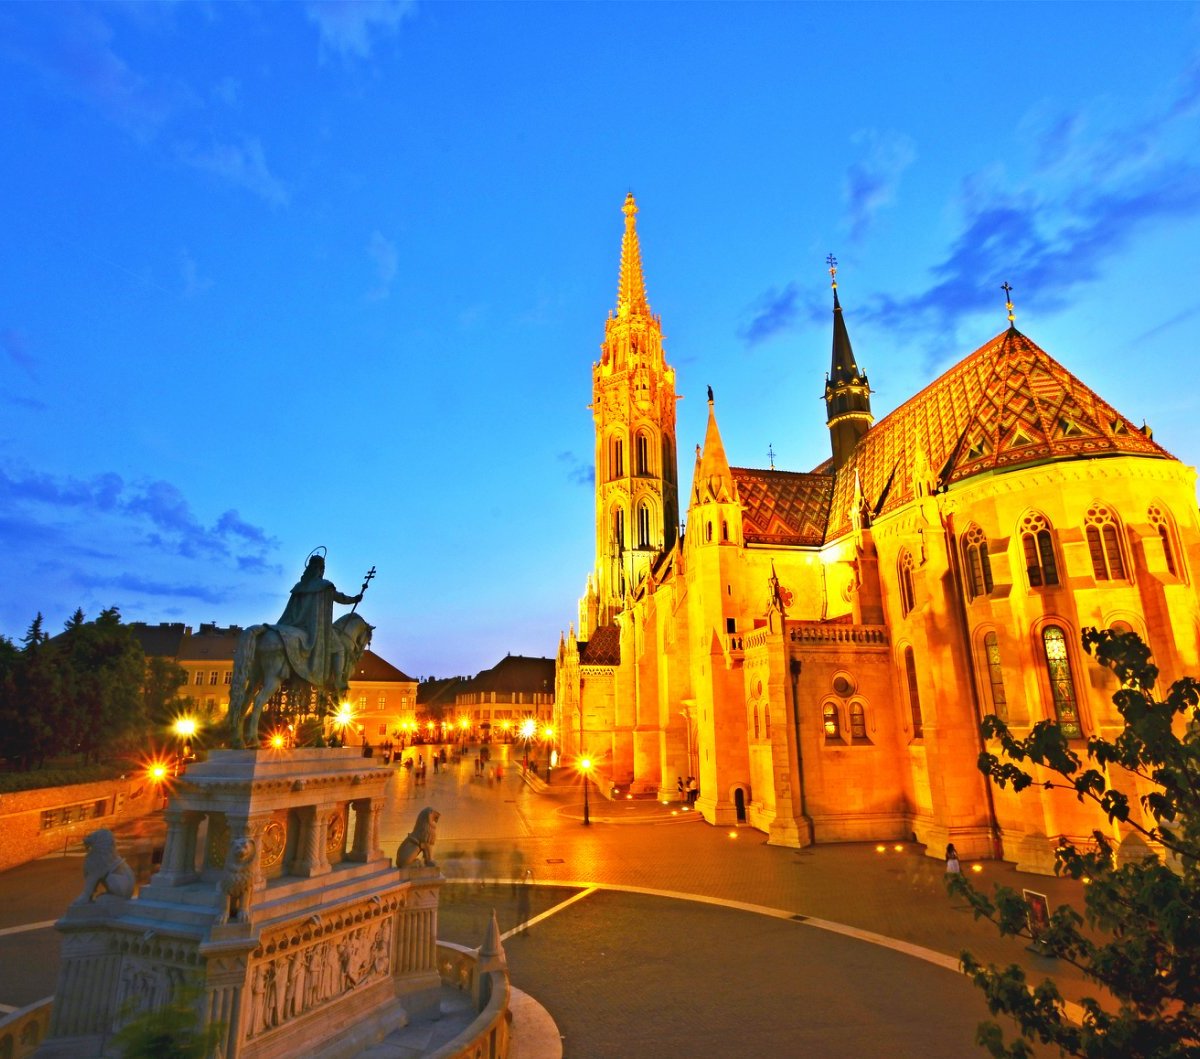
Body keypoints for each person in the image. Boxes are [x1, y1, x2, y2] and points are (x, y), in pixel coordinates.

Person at [276, 551, 363, 695]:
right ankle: (338, 681)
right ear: (321, 569)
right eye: (323, 569)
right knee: (339, 648)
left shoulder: (299, 586)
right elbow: (340, 598)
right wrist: (354, 599)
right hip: (315, 627)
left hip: (293, 624)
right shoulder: (325, 586)